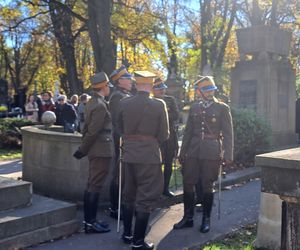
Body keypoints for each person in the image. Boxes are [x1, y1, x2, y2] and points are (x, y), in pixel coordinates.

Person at [173, 76, 233, 233]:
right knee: (188, 183)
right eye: (205, 90)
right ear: (199, 91)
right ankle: (188, 218)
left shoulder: (222, 108)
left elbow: (228, 134)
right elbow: (188, 132)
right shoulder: (194, 108)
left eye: (211, 90)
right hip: (193, 150)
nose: (209, 93)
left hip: (211, 151)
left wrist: (228, 155)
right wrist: (182, 152)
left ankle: (206, 219)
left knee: (207, 185)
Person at [118, 71, 169, 250]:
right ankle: (138, 243)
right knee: (145, 198)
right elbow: (164, 135)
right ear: (150, 85)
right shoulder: (158, 104)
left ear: (136, 84)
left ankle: (127, 234)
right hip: (149, 155)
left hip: (129, 154)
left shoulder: (123, 103)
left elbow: (119, 128)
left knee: (129, 194)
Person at [73, 72, 114, 234]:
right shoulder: (100, 105)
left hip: (97, 150)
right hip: (101, 150)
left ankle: (90, 221)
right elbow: (93, 131)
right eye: (108, 86)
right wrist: (83, 150)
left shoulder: (93, 102)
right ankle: (90, 224)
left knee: (92, 184)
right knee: (95, 185)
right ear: (103, 87)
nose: (109, 88)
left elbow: (85, 128)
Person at [108, 65, 134, 219]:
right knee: (118, 174)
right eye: (127, 78)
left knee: (124, 173)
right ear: (119, 81)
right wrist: (123, 137)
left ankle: (122, 205)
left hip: (126, 138)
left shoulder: (125, 94)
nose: (131, 81)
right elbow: (117, 121)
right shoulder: (117, 96)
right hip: (121, 139)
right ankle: (114, 208)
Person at [152, 78, 179, 197]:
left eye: (163, 88)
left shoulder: (170, 100)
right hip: (155, 138)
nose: (162, 90)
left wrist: (161, 116)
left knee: (168, 163)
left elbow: (176, 115)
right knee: (156, 164)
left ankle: (165, 189)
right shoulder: (150, 101)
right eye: (158, 88)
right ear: (153, 90)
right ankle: (155, 189)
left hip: (170, 137)